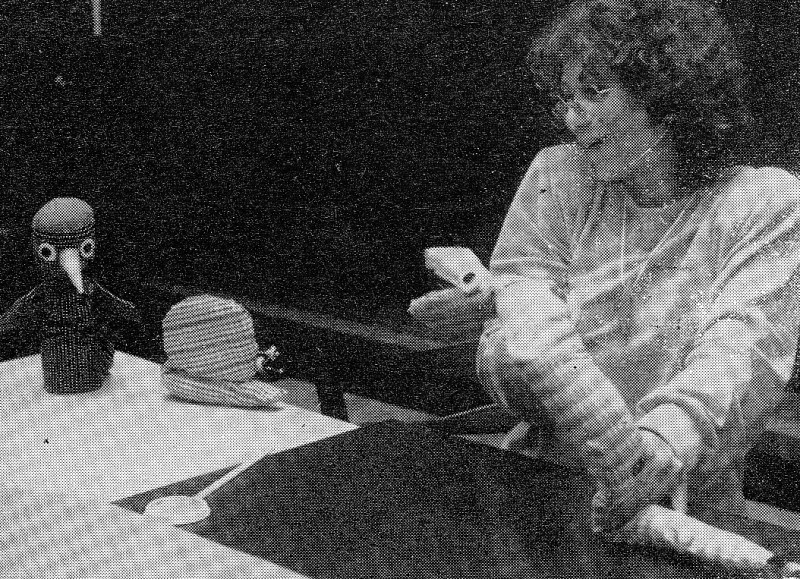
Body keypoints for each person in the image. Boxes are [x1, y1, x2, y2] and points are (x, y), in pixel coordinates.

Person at [409, 0, 800, 534]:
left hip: (681, 507)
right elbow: (515, 374)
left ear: (667, 94)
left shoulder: (763, 202)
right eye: (565, 99)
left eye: (593, 92)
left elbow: (742, 357)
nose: (573, 118)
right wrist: (503, 325)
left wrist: (654, 451)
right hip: (542, 487)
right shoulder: (559, 178)